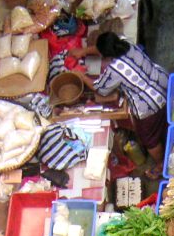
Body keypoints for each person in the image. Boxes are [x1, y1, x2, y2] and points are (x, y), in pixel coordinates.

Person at [70, 32, 168, 167]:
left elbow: (100, 88)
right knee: (162, 120)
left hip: (149, 104)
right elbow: (102, 48)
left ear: (106, 55)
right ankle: (164, 130)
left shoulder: (115, 69)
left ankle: (161, 165)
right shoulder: (126, 43)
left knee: (149, 139)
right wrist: (83, 51)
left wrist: (81, 76)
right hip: (162, 83)